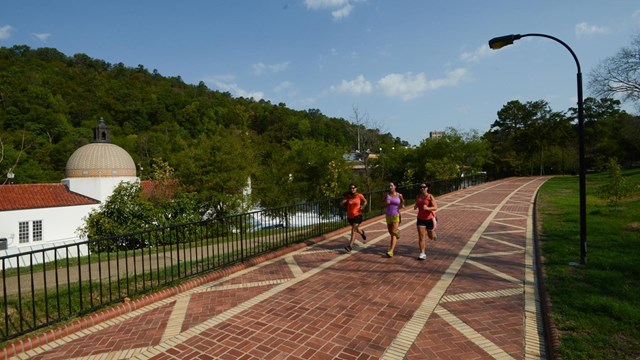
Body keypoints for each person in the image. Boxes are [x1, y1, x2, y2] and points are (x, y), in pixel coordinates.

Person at [340, 183, 368, 253]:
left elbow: (365, 201)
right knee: (356, 229)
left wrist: (363, 206)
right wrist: (343, 201)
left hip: (357, 215)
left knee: (353, 231)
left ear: (356, 188)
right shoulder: (348, 196)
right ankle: (362, 233)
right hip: (350, 216)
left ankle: (350, 246)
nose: (352, 189)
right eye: (351, 188)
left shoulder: (359, 195)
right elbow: (341, 204)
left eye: (353, 188)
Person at [414, 182, 437, 260]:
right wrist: (416, 206)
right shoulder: (418, 196)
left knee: (430, 237)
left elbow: (435, 207)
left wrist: (428, 208)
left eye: (424, 187)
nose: (422, 189)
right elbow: (416, 204)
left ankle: (433, 233)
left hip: (429, 219)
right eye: (421, 187)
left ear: (427, 188)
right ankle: (422, 253)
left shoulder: (430, 197)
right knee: (421, 236)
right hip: (420, 219)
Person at [382, 181, 404, 257]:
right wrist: (385, 203)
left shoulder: (399, 195)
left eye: (391, 186)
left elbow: (402, 202)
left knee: (393, 233)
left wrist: (403, 204)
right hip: (388, 215)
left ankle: (391, 251)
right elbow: (381, 204)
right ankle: (397, 233)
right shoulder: (386, 195)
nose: (390, 187)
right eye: (389, 186)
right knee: (391, 232)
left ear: (395, 186)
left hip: (396, 215)